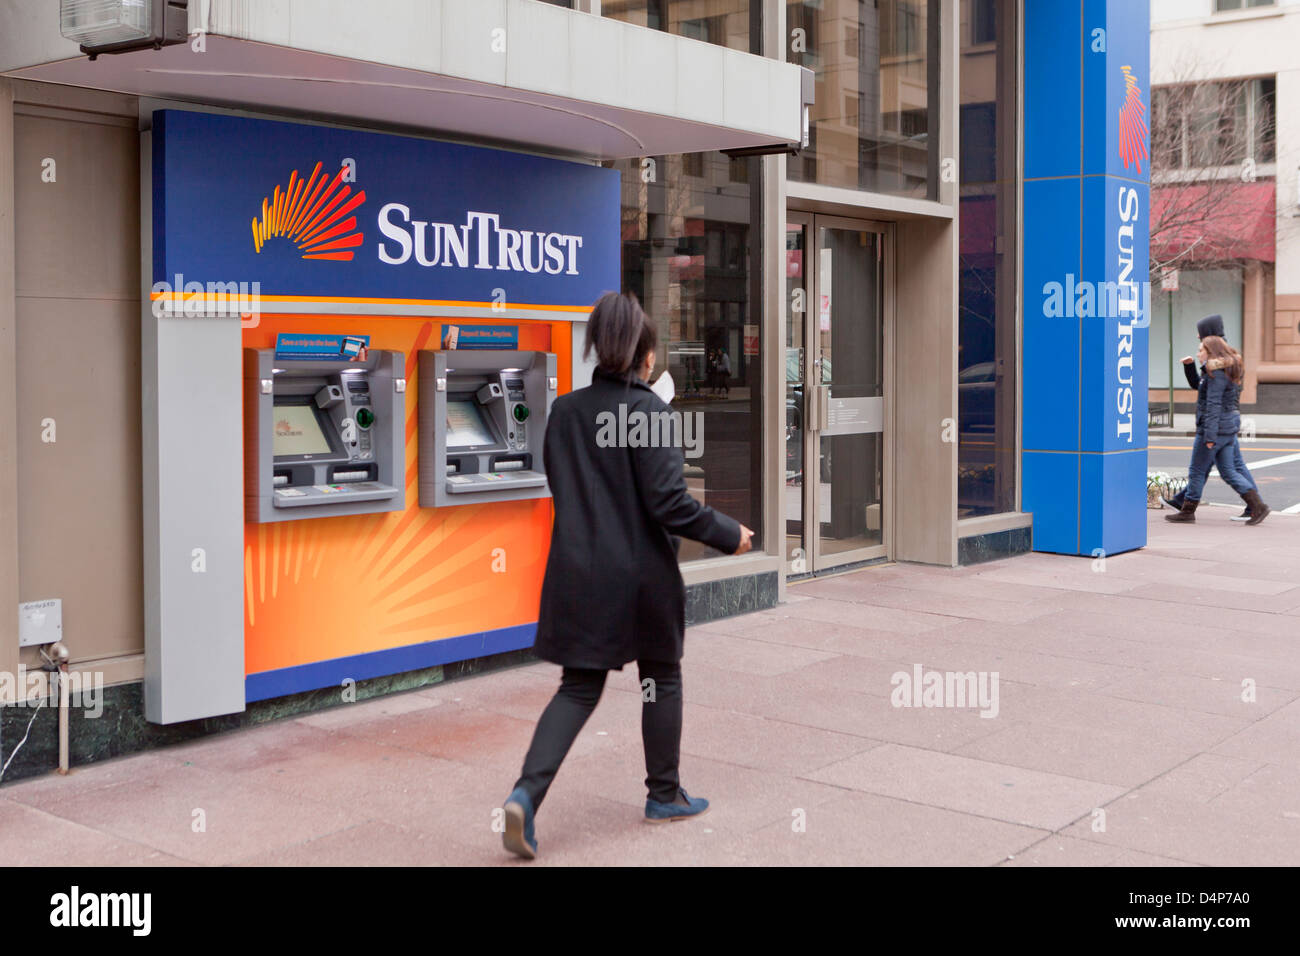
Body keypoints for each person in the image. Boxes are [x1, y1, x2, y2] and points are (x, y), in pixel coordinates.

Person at [500, 291, 754, 860]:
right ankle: (664, 794)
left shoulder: (565, 411)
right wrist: (727, 533)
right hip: (639, 579)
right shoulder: (648, 414)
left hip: (576, 574)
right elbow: (670, 504)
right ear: (645, 356)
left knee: (577, 688)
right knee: (659, 677)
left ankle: (524, 795)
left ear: (596, 349)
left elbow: (564, 485)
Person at [1162, 314, 1261, 520]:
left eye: (1200, 334)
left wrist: (1209, 435)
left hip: (1220, 422)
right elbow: (1201, 386)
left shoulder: (1219, 365)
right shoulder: (1224, 361)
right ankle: (1254, 505)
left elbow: (1212, 400)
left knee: (1216, 467)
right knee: (1225, 467)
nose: (1197, 337)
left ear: (1209, 338)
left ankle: (1254, 506)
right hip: (1227, 421)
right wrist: (1190, 367)